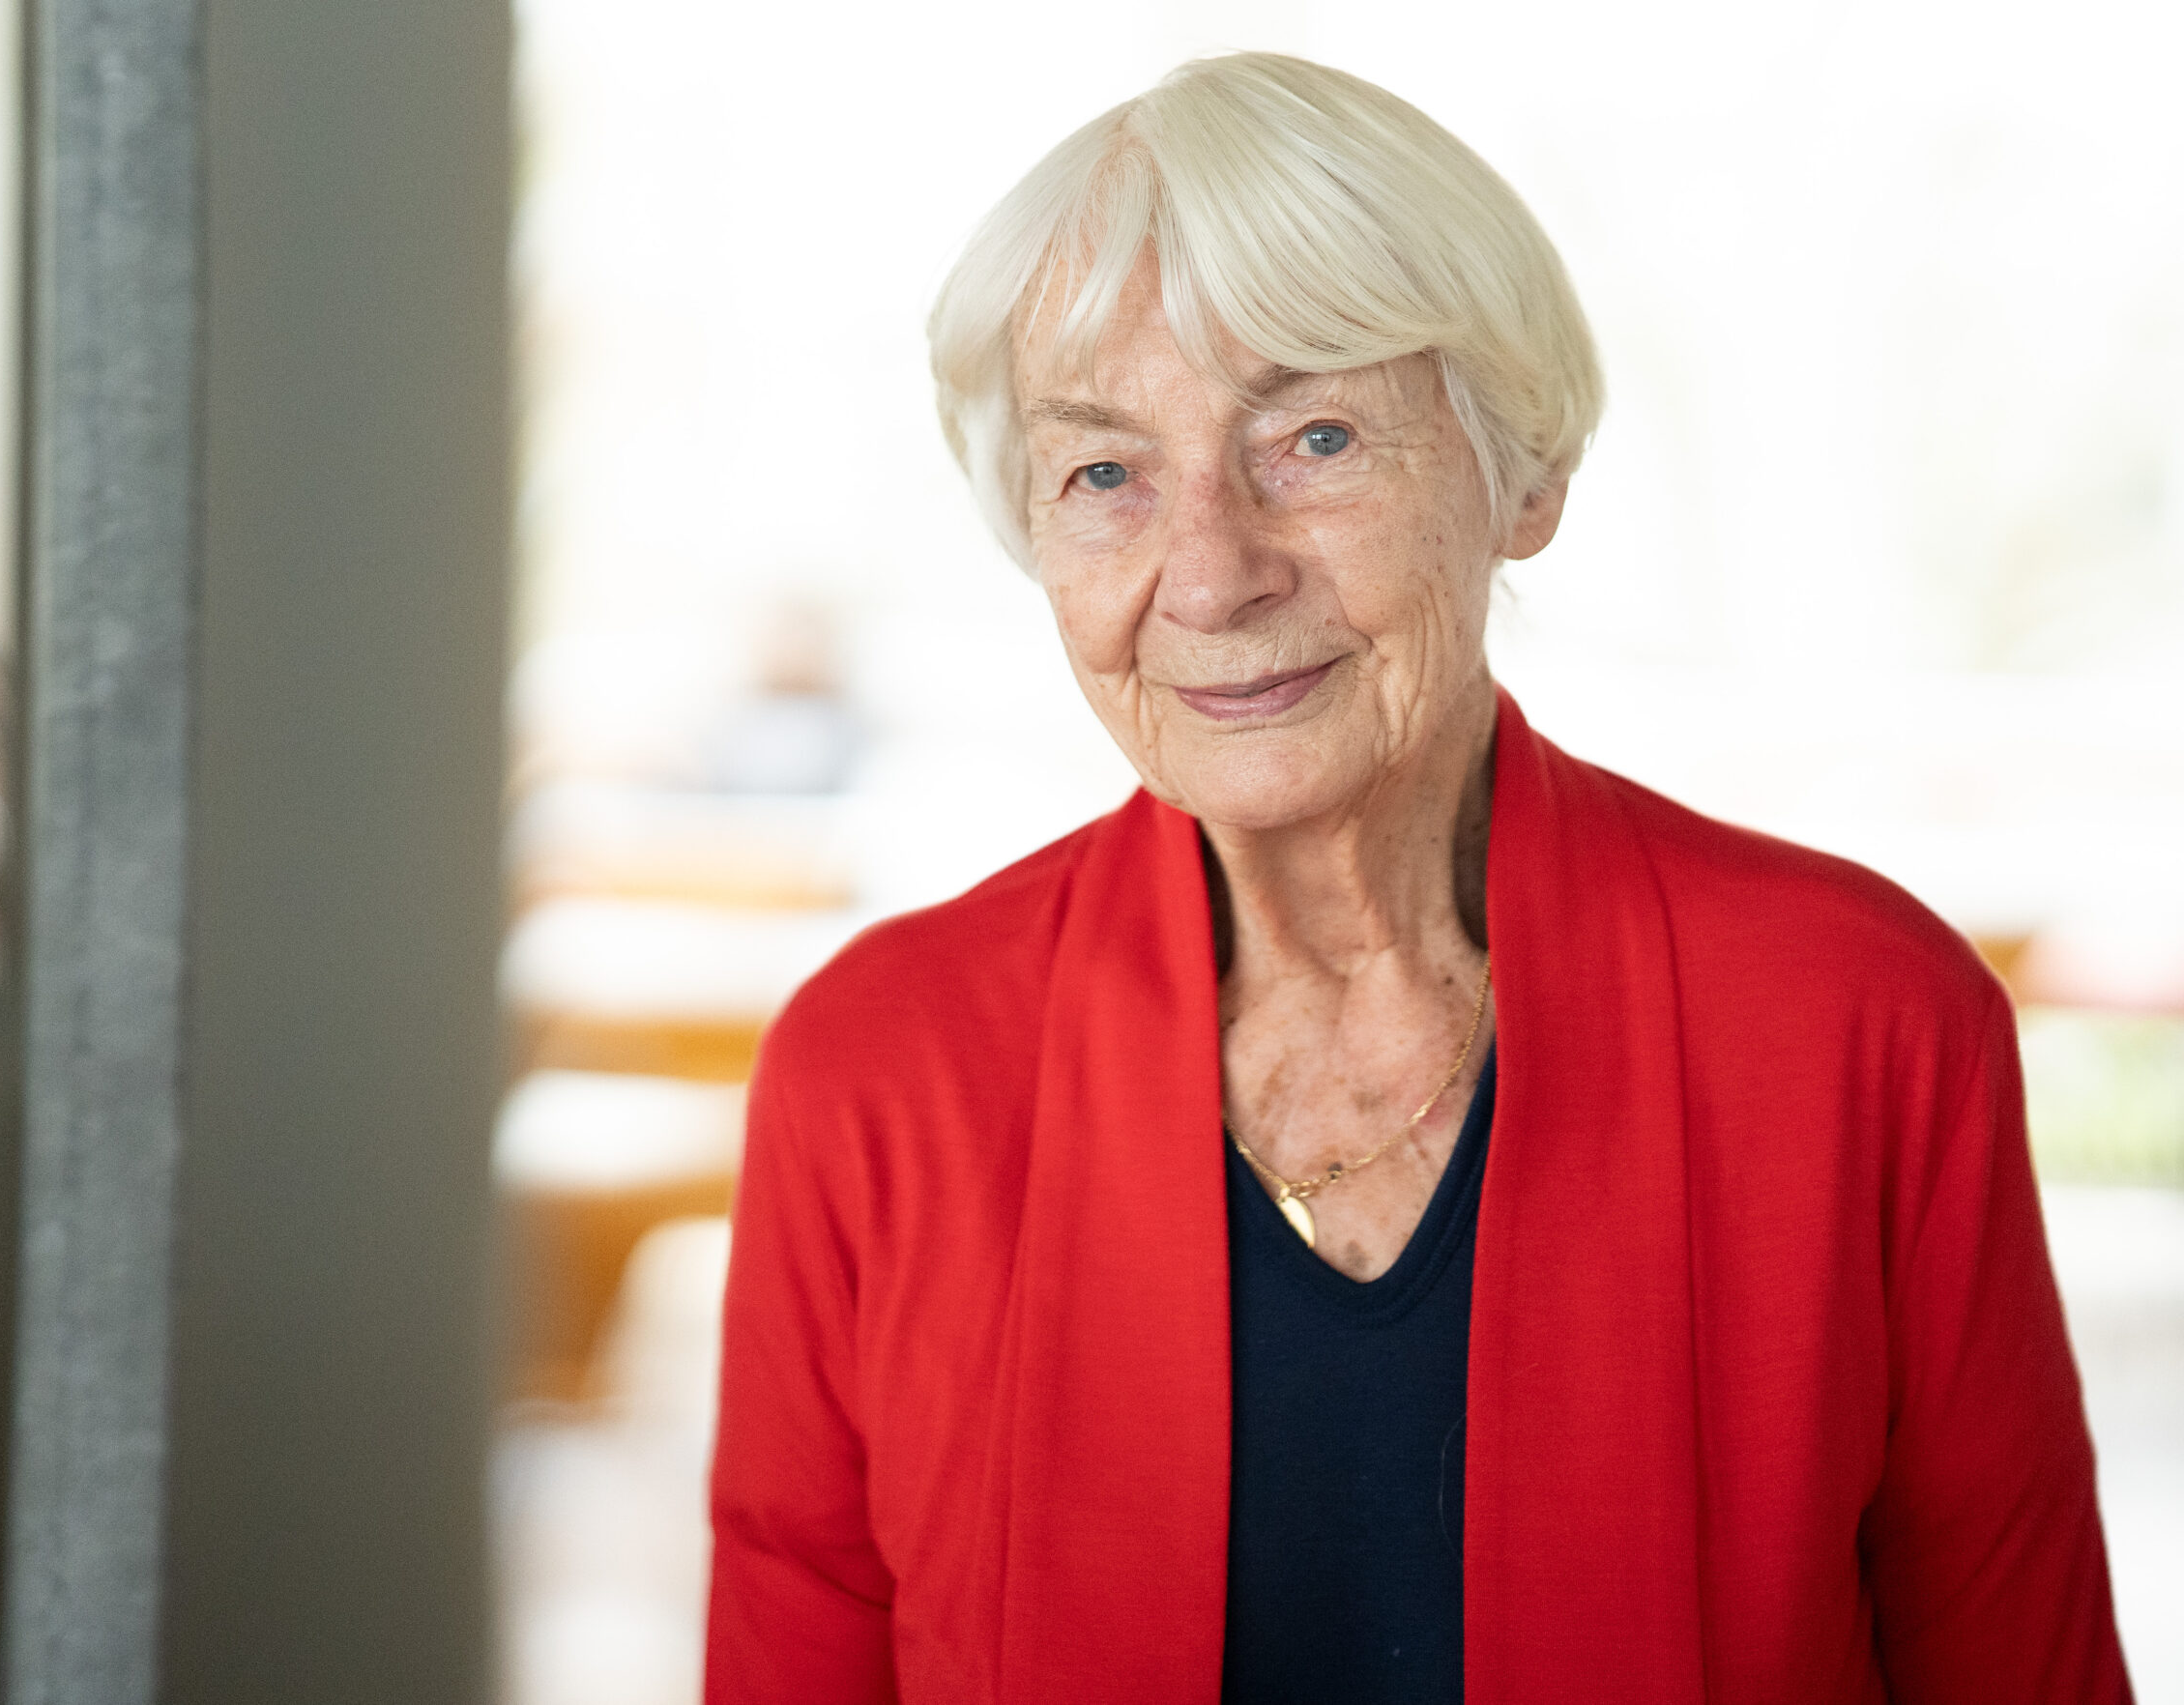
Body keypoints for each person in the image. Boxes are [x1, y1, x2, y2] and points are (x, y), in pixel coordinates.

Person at [705, 51, 2131, 1704]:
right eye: (1105, 473)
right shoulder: (878, 1073)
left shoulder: (1858, 1026)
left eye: (1312, 436)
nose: (1214, 573)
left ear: (1524, 474)